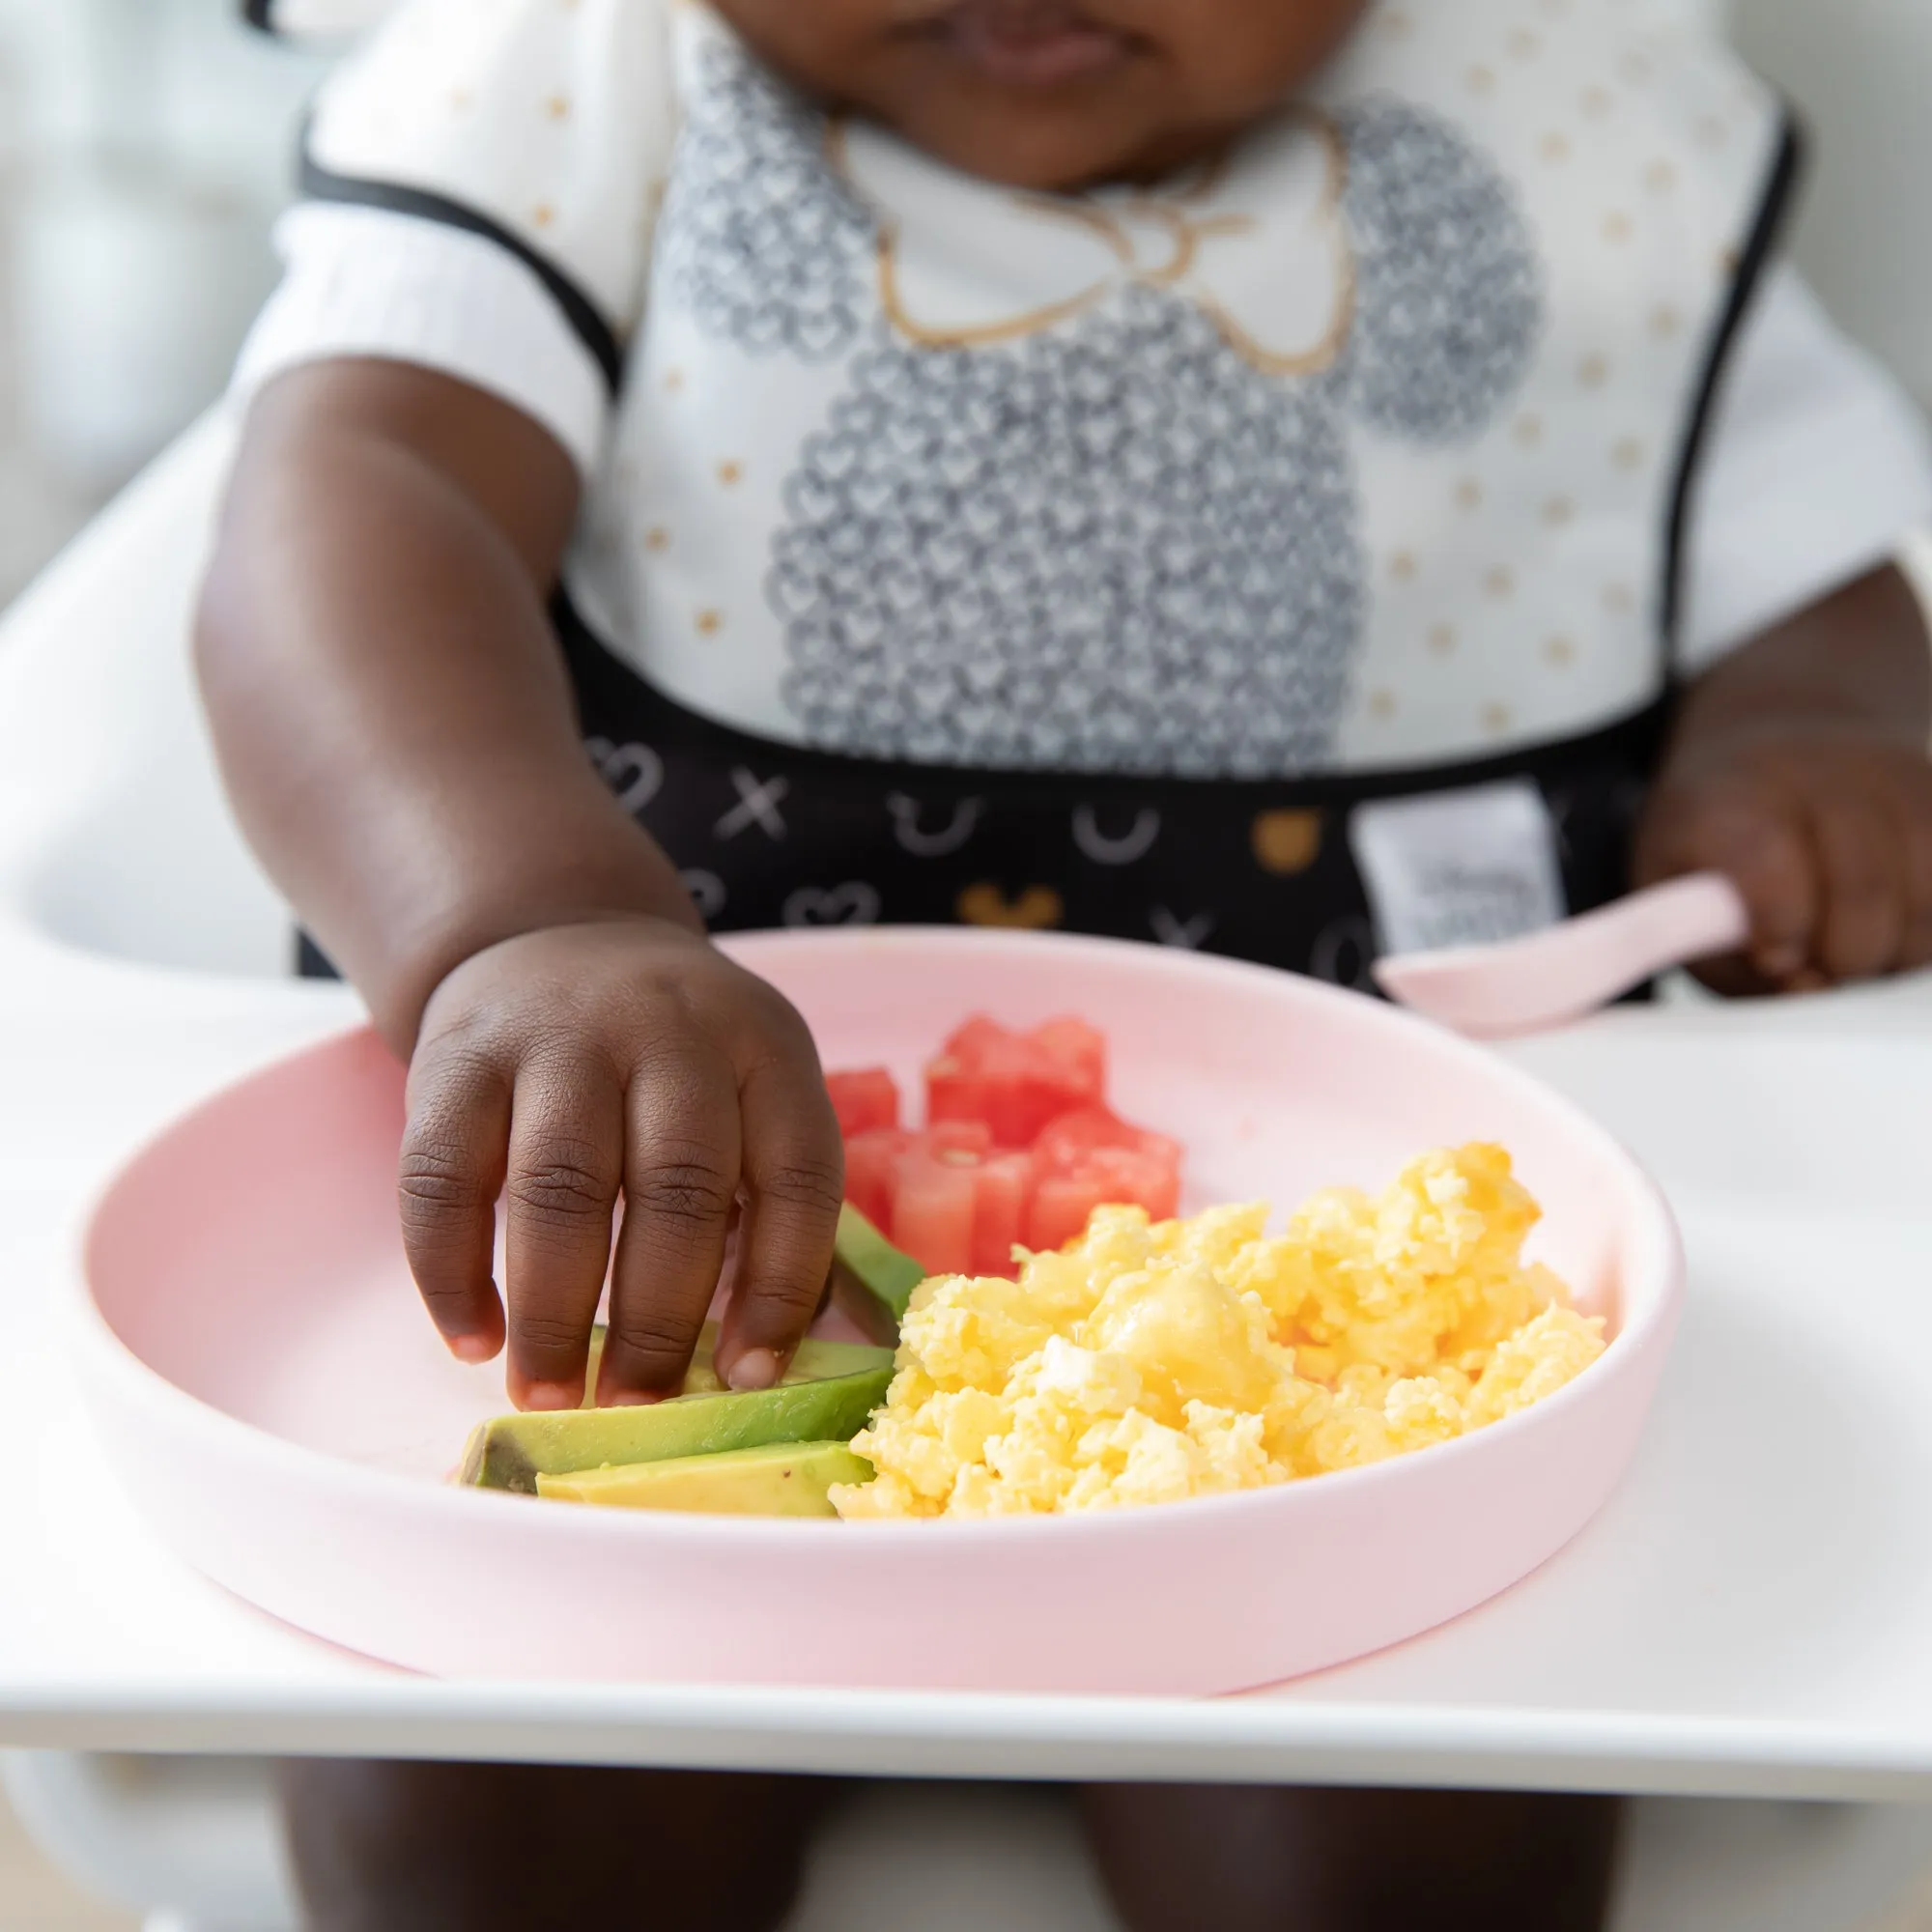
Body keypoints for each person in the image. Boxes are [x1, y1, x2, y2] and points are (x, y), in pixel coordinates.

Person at [209, 2, 1932, 1925]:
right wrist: (523, 915)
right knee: (492, 1784)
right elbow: (355, 513)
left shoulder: (1576, 120)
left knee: (1425, 1816)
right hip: (667, 1238)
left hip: (1317, 1386)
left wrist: (1815, 750)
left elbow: (1816, 581)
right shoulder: (577, 79)